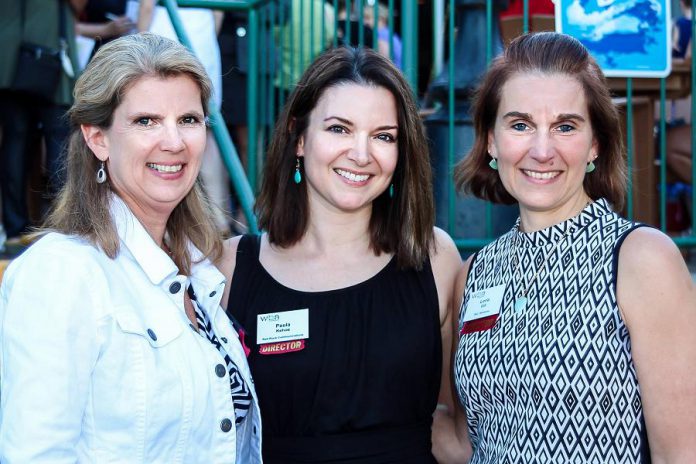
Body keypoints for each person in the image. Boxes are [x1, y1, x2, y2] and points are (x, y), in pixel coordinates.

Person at [432, 32, 696, 463]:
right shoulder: (474, 273)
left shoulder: (640, 259)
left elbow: (682, 455)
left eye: (565, 126)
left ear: (595, 144)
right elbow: (466, 442)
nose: (541, 150)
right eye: (520, 125)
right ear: (491, 142)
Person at [0, 33, 261, 462]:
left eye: (189, 120)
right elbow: (37, 453)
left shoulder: (198, 270)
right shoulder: (61, 273)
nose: (174, 142)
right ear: (97, 138)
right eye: (146, 121)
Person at [219, 46, 462, 463]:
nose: (361, 154)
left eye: (383, 136)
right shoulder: (228, 267)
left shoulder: (435, 258)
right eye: (339, 129)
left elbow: (455, 419)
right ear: (299, 138)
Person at [139, 0, 233, 234]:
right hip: (202, 31)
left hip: (161, 33)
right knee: (205, 129)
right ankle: (220, 221)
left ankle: (159, 224)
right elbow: (218, 11)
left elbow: (147, 5)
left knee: (154, 127)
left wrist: (136, 44)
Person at [0, 0, 80, 244]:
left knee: (15, 140)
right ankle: (64, 227)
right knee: (60, 140)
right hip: (48, 51)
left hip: (7, 55)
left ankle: (15, 230)